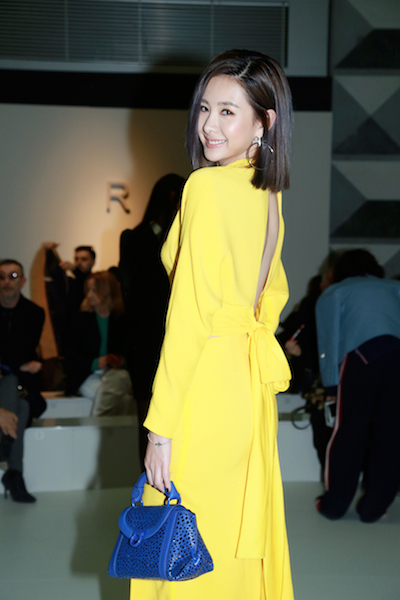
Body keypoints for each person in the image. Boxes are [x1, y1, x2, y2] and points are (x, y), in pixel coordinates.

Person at [129, 49, 294, 600]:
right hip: (245, 392)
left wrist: (160, 429)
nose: (208, 125)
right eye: (204, 108)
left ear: (263, 121)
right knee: (225, 540)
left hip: (204, 389)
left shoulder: (206, 187)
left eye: (227, 111)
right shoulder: (266, 193)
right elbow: (271, 298)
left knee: (180, 549)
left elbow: (190, 317)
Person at [315, 249, 400, 522]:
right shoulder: (394, 288)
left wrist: (331, 387)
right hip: (397, 356)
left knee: (349, 432)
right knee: (392, 434)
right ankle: (374, 508)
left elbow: (329, 343)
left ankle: (334, 505)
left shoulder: (335, 292)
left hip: (360, 358)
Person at [119, 173, 185, 463]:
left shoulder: (183, 236)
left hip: (174, 336)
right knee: (146, 417)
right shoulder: (134, 238)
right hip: (144, 340)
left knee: (177, 414)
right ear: (171, 198)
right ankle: (146, 478)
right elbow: (129, 292)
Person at [0, 259, 46, 502]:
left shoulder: (34, 313)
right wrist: (17, 364)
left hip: (19, 384)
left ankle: (5, 446)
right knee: (22, 406)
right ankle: (15, 474)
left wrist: (13, 364)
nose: (7, 282)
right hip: (15, 384)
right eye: (2, 276)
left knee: (12, 385)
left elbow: (21, 350)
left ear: (23, 281)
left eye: (13, 276)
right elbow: (19, 356)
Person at [65, 271, 134, 416]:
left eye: (94, 290)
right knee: (120, 396)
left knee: (117, 382)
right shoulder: (80, 320)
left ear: (107, 292)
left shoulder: (122, 321)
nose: (89, 295)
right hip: (87, 375)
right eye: (88, 290)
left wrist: (119, 361)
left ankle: (100, 424)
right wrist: (95, 363)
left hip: (115, 374)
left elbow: (130, 353)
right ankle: (103, 425)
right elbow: (71, 357)